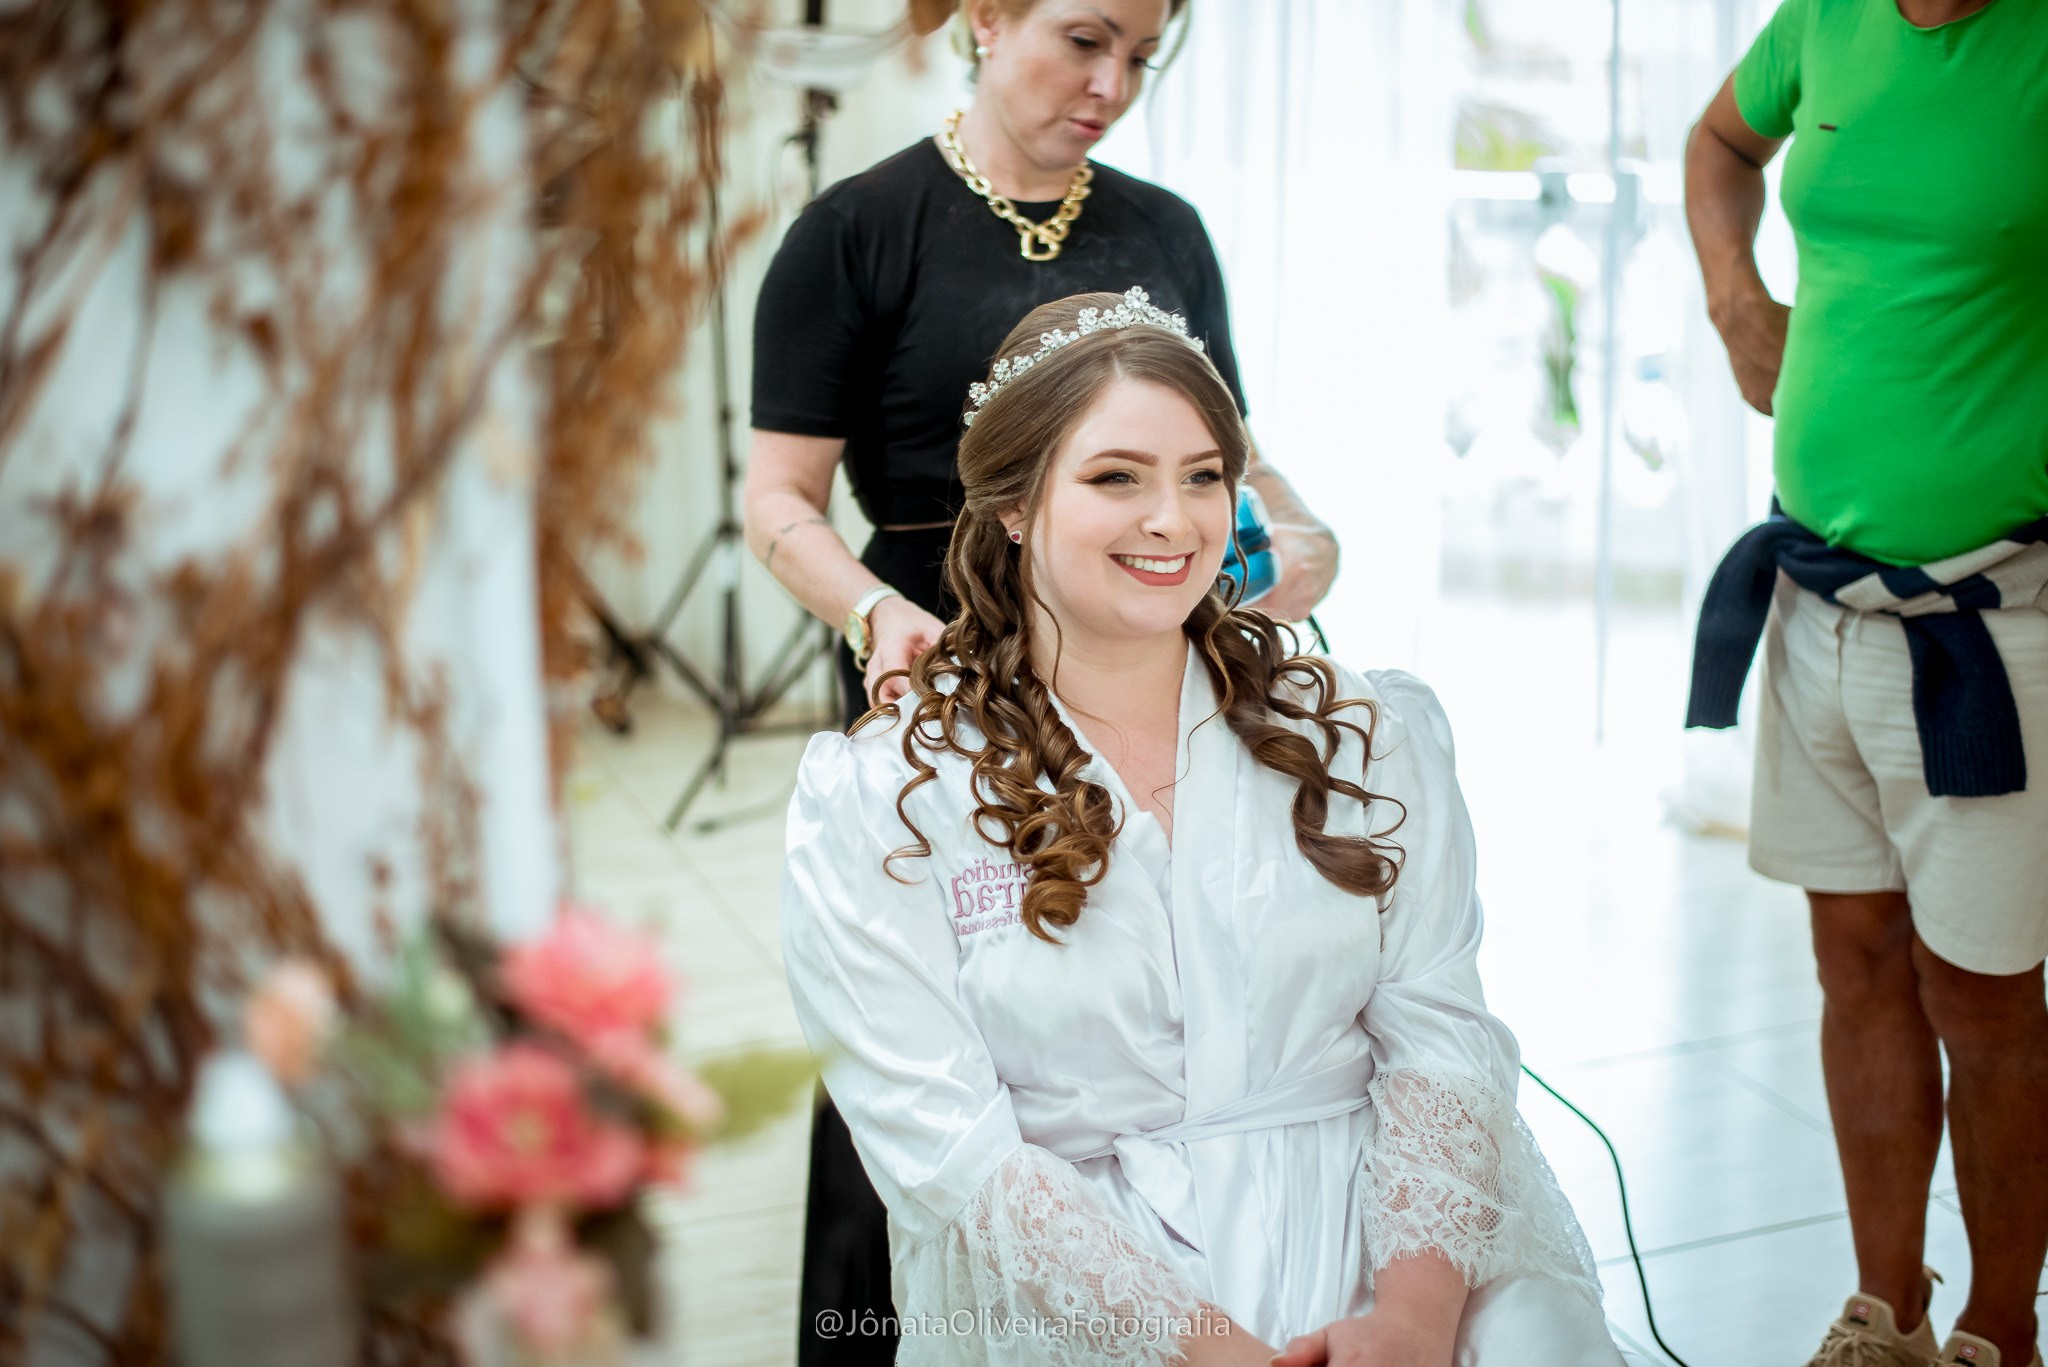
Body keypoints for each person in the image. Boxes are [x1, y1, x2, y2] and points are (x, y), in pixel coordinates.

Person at [780, 290, 1626, 1367]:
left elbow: (1439, 1032)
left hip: (1386, 1250)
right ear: (1011, 504)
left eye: (1203, 476)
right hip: (1091, 1298)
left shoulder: (1360, 732)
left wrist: (1410, 1322)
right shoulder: (890, 798)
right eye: (1115, 477)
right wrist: (1211, 1349)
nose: (1173, 521)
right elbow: (947, 1145)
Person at [744, 4, 1338, 1360]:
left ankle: (1175, 1291)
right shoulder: (856, 230)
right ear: (986, 15)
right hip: (936, 667)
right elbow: (776, 497)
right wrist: (873, 613)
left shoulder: (1167, 230)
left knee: (1136, 1002)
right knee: (919, 1040)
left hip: (1137, 665)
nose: (1111, 82)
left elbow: (1231, 454)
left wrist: (1299, 530)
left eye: (1141, 53)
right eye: (1083, 38)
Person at [1683, 2, 2048, 1365]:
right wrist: (1736, 298)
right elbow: (1720, 143)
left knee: (1985, 994)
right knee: (1854, 960)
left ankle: (2000, 1332)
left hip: (1994, 625)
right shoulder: (1823, 19)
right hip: (1814, 598)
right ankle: (1885, 1313)